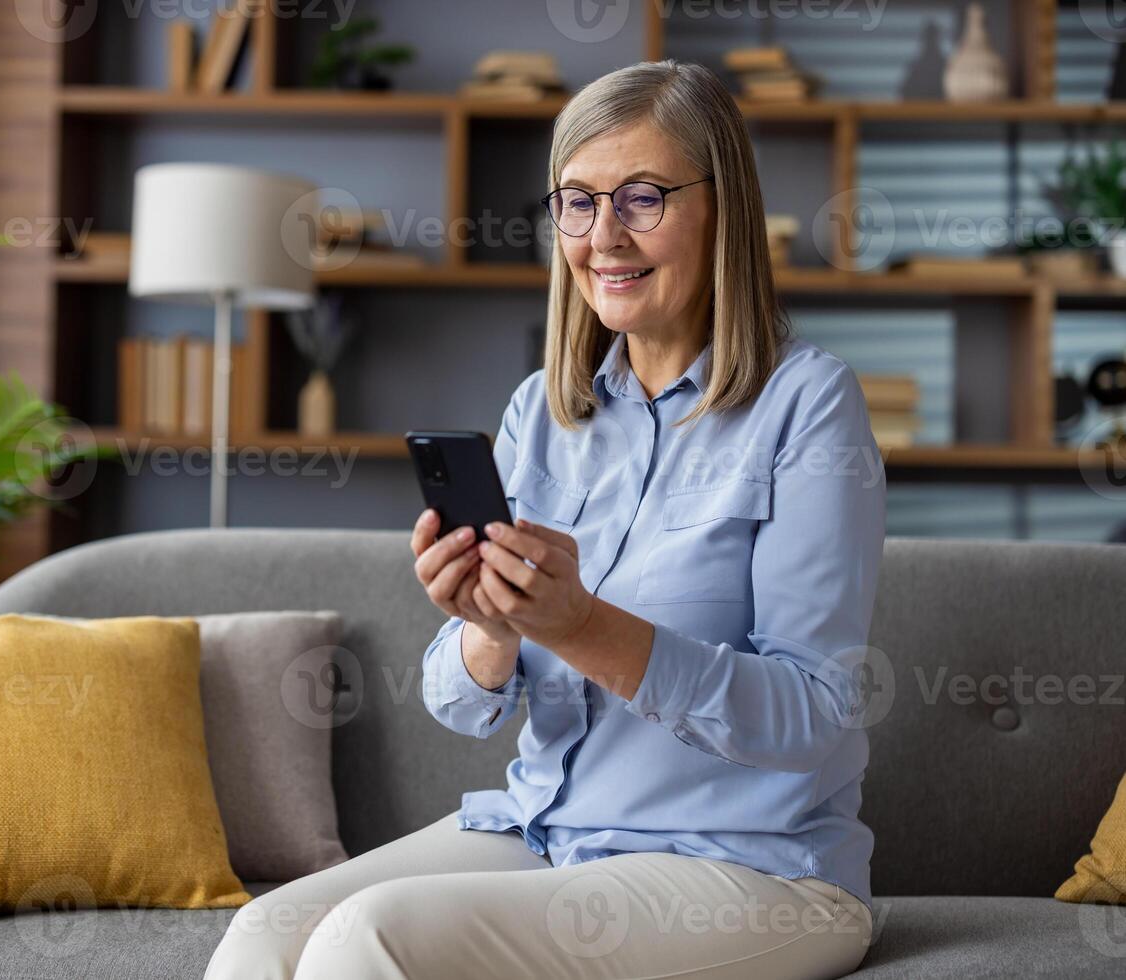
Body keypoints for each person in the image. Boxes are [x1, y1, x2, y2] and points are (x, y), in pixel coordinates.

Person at [204, 58, 885, 980]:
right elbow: (458, 700)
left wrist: (582, 626)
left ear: (722, 208)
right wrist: (487, 627)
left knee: (370, 939)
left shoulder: (808, 405)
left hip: (747, 869)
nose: (604, 235)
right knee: (265, 935)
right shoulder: (547, 411)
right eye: (576, 200)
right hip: (549, 832)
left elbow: (814, 713)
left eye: (642, 197)